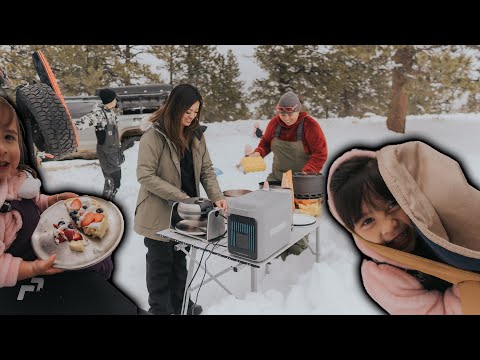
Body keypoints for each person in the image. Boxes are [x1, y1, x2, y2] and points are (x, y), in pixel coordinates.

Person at [326, 140, 480, 314]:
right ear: (354, 233)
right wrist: (469, 282)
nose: (389, 226)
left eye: (392, 205)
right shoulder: (383, 277)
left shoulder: (436, 220)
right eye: (368, 221)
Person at [0, 95, 114, 288]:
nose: (2, 148)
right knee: (91, 269)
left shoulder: (15, 179)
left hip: (45, 243)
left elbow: (31, 203)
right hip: (28, 273)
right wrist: (32, 269)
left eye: (8, 137)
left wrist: (49, 201)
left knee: (99, 259)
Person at [134, 83, 227, 315]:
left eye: (196, 112)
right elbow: (145, 175)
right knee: (160, 265)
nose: (192, 117)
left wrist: (217, 197)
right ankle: (160, 309)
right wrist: (181, 197)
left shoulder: (196, 134)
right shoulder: (154, 136)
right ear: (176, 107)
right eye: (188, 112)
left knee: (180, 261)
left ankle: (182, 304)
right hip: (158, 212)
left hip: (186, 212)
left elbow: (206, 169)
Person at [250, 91, 328, 260]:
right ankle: (270, 255)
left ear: (298, 110)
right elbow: (265, 143)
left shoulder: (310, 125)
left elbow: (320, 153)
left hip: (303, 185)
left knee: (298, 226)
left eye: (290, 114)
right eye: (282, 114)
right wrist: (259, 152)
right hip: (277, 179)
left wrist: (306, 172)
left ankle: (293, 263)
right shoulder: (274, 124)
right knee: (269, 219)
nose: (286, 118)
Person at [75, 88, 124, 200]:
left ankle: (109, 201)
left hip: (114, 152)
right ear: (110, 100)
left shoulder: (110, 112)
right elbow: (81, 123)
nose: (116, 101)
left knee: (116, 183)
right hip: (106, 154)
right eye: (114, 99)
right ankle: (106, 203)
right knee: (112, 182)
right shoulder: (99, 114)